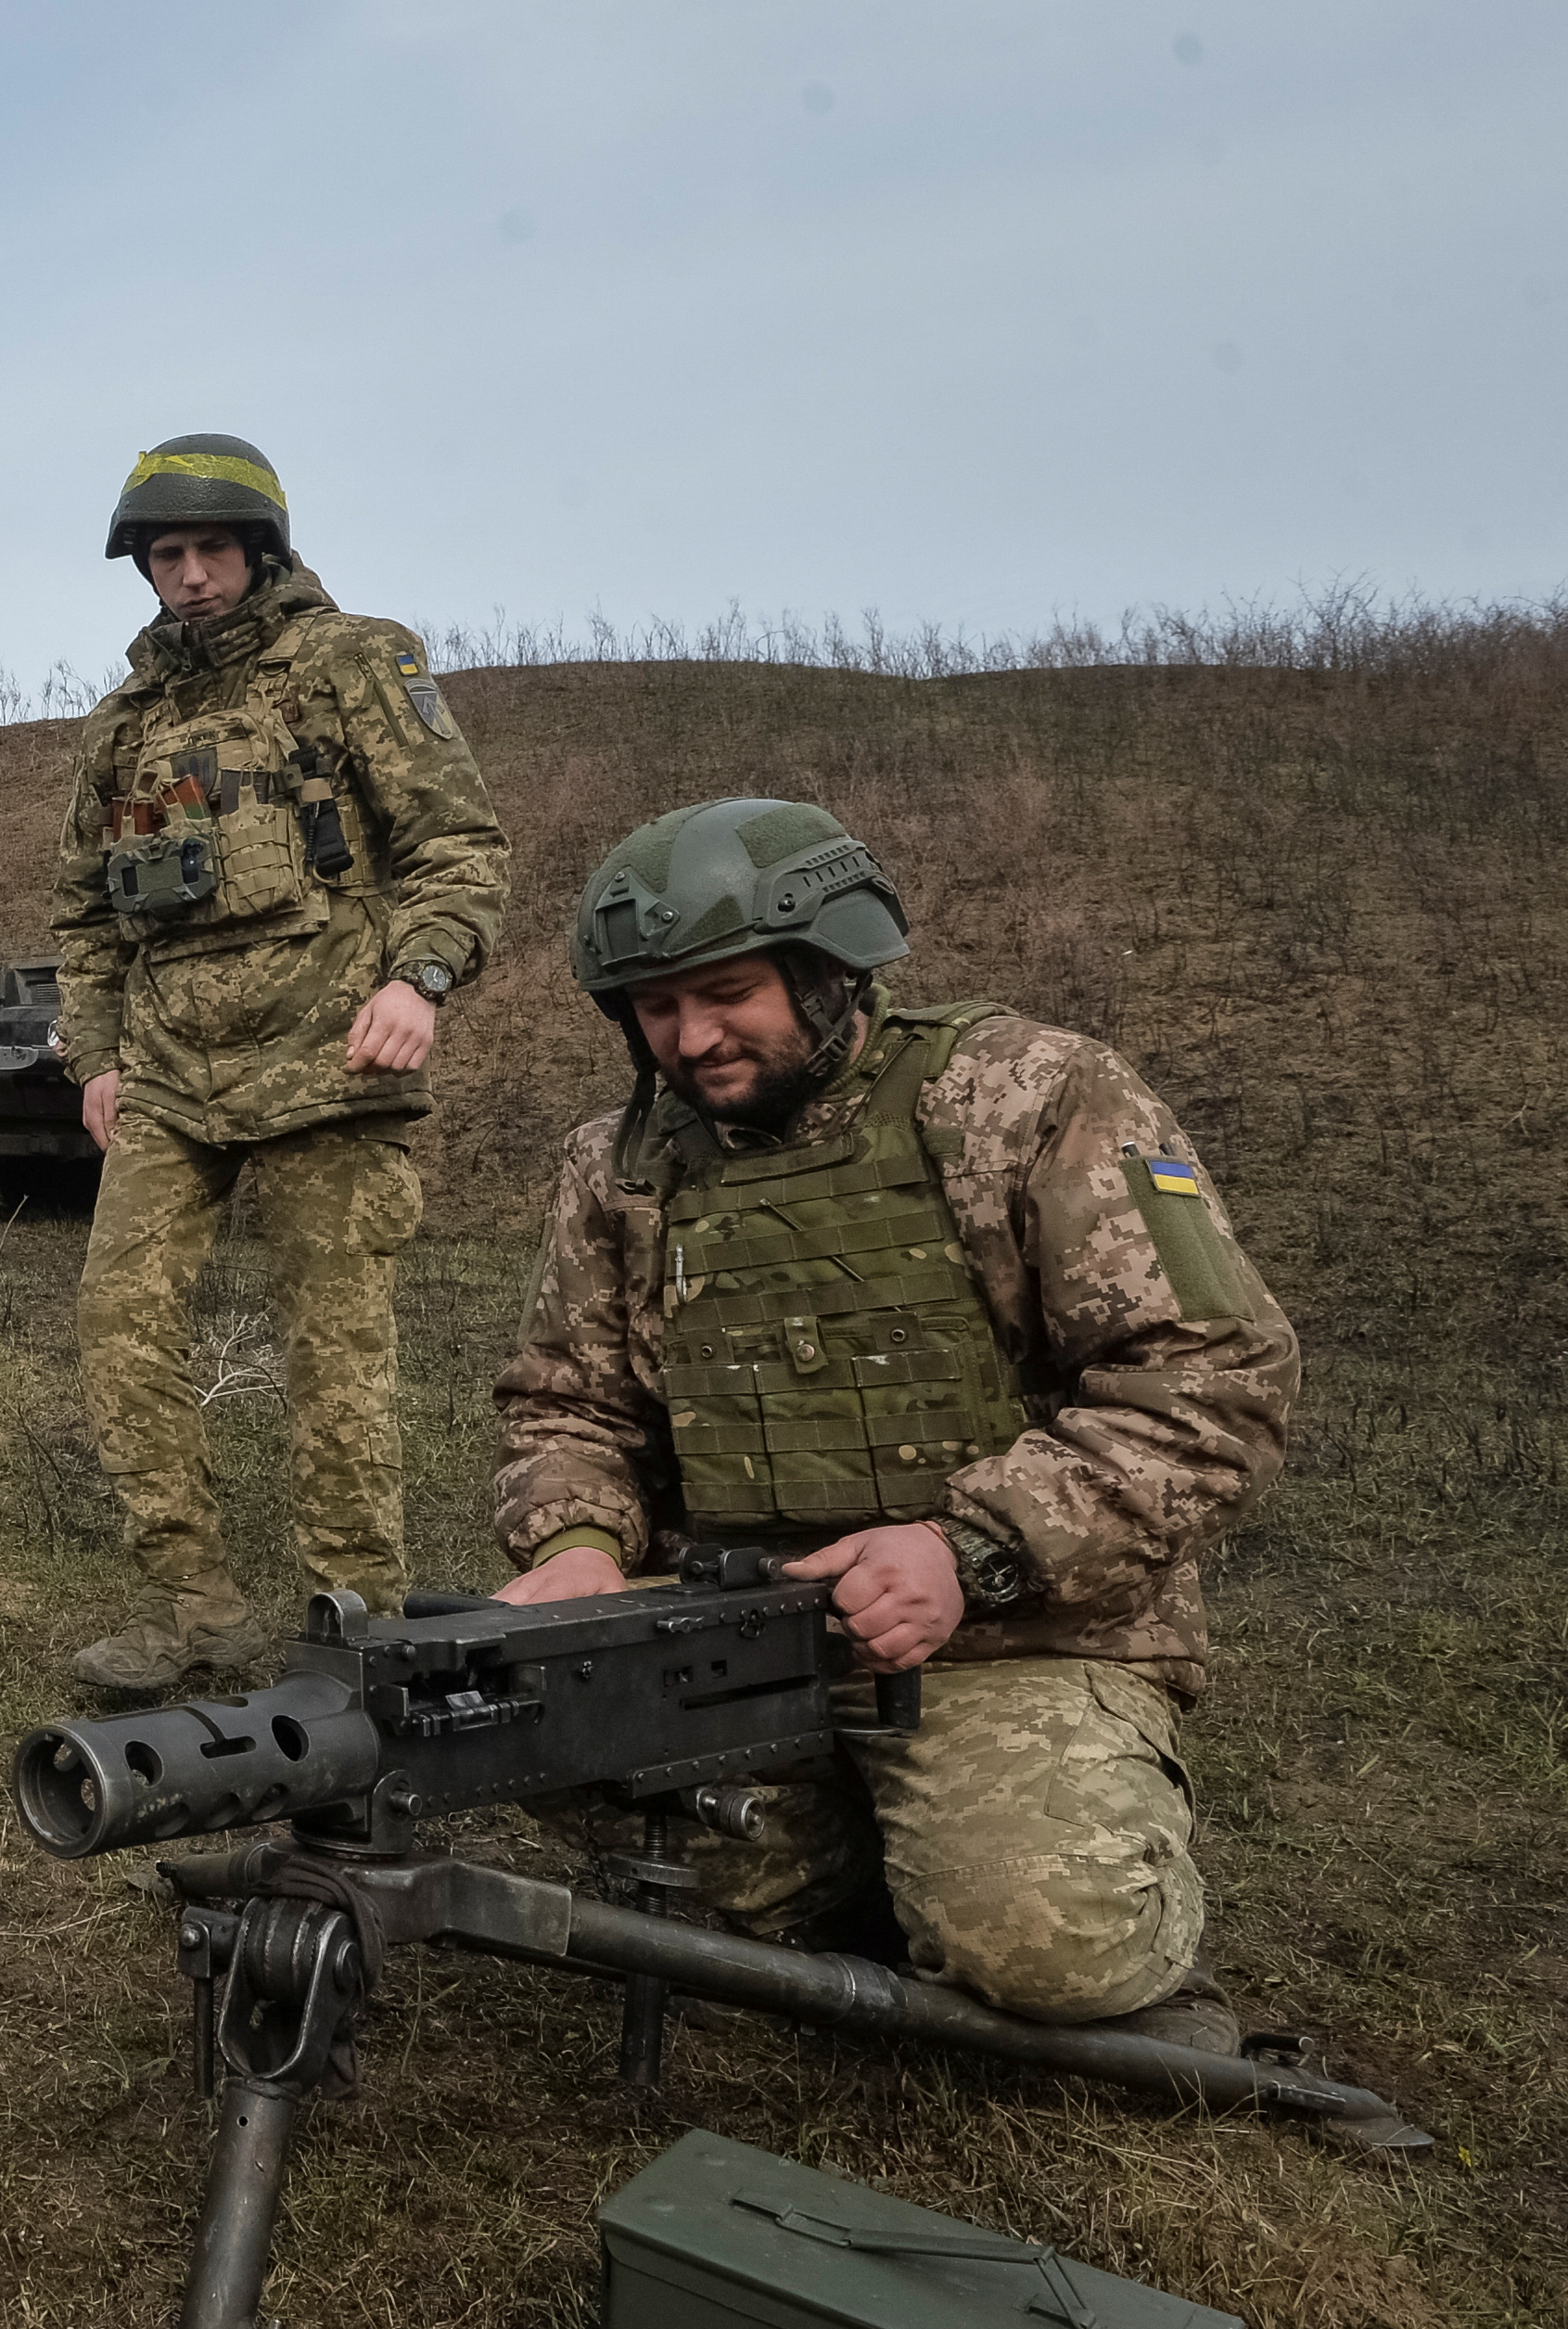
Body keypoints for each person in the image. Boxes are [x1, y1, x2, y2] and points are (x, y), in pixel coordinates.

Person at [491, 798, 1294, 2041]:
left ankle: (1022, 1874)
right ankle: (861, 1865)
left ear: (825, 968)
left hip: (1008, 1635)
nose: (691, 1038)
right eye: (655, 1006)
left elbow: (1211, 1377)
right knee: (523, 1734)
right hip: (730, 1630)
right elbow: (567, 1398)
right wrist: (577, 1548)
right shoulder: (618, 1163)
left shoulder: (1028, 1096)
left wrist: (966, 1550)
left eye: (726, 992)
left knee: (1047, 1946)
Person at [51, 438, 510, 1694]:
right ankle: (193, 1608)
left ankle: (349, 1624)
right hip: (169, 1079)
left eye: (210, 550)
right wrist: (94, 1056)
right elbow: (83, 913)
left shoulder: (356, 660)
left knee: (333, 1350)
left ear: (261, 549)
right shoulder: (125, 724)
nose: (188, 577)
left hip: (330, 1061)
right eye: (164, 556)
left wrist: (416, 978)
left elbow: (458, 845)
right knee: (119, 1326)